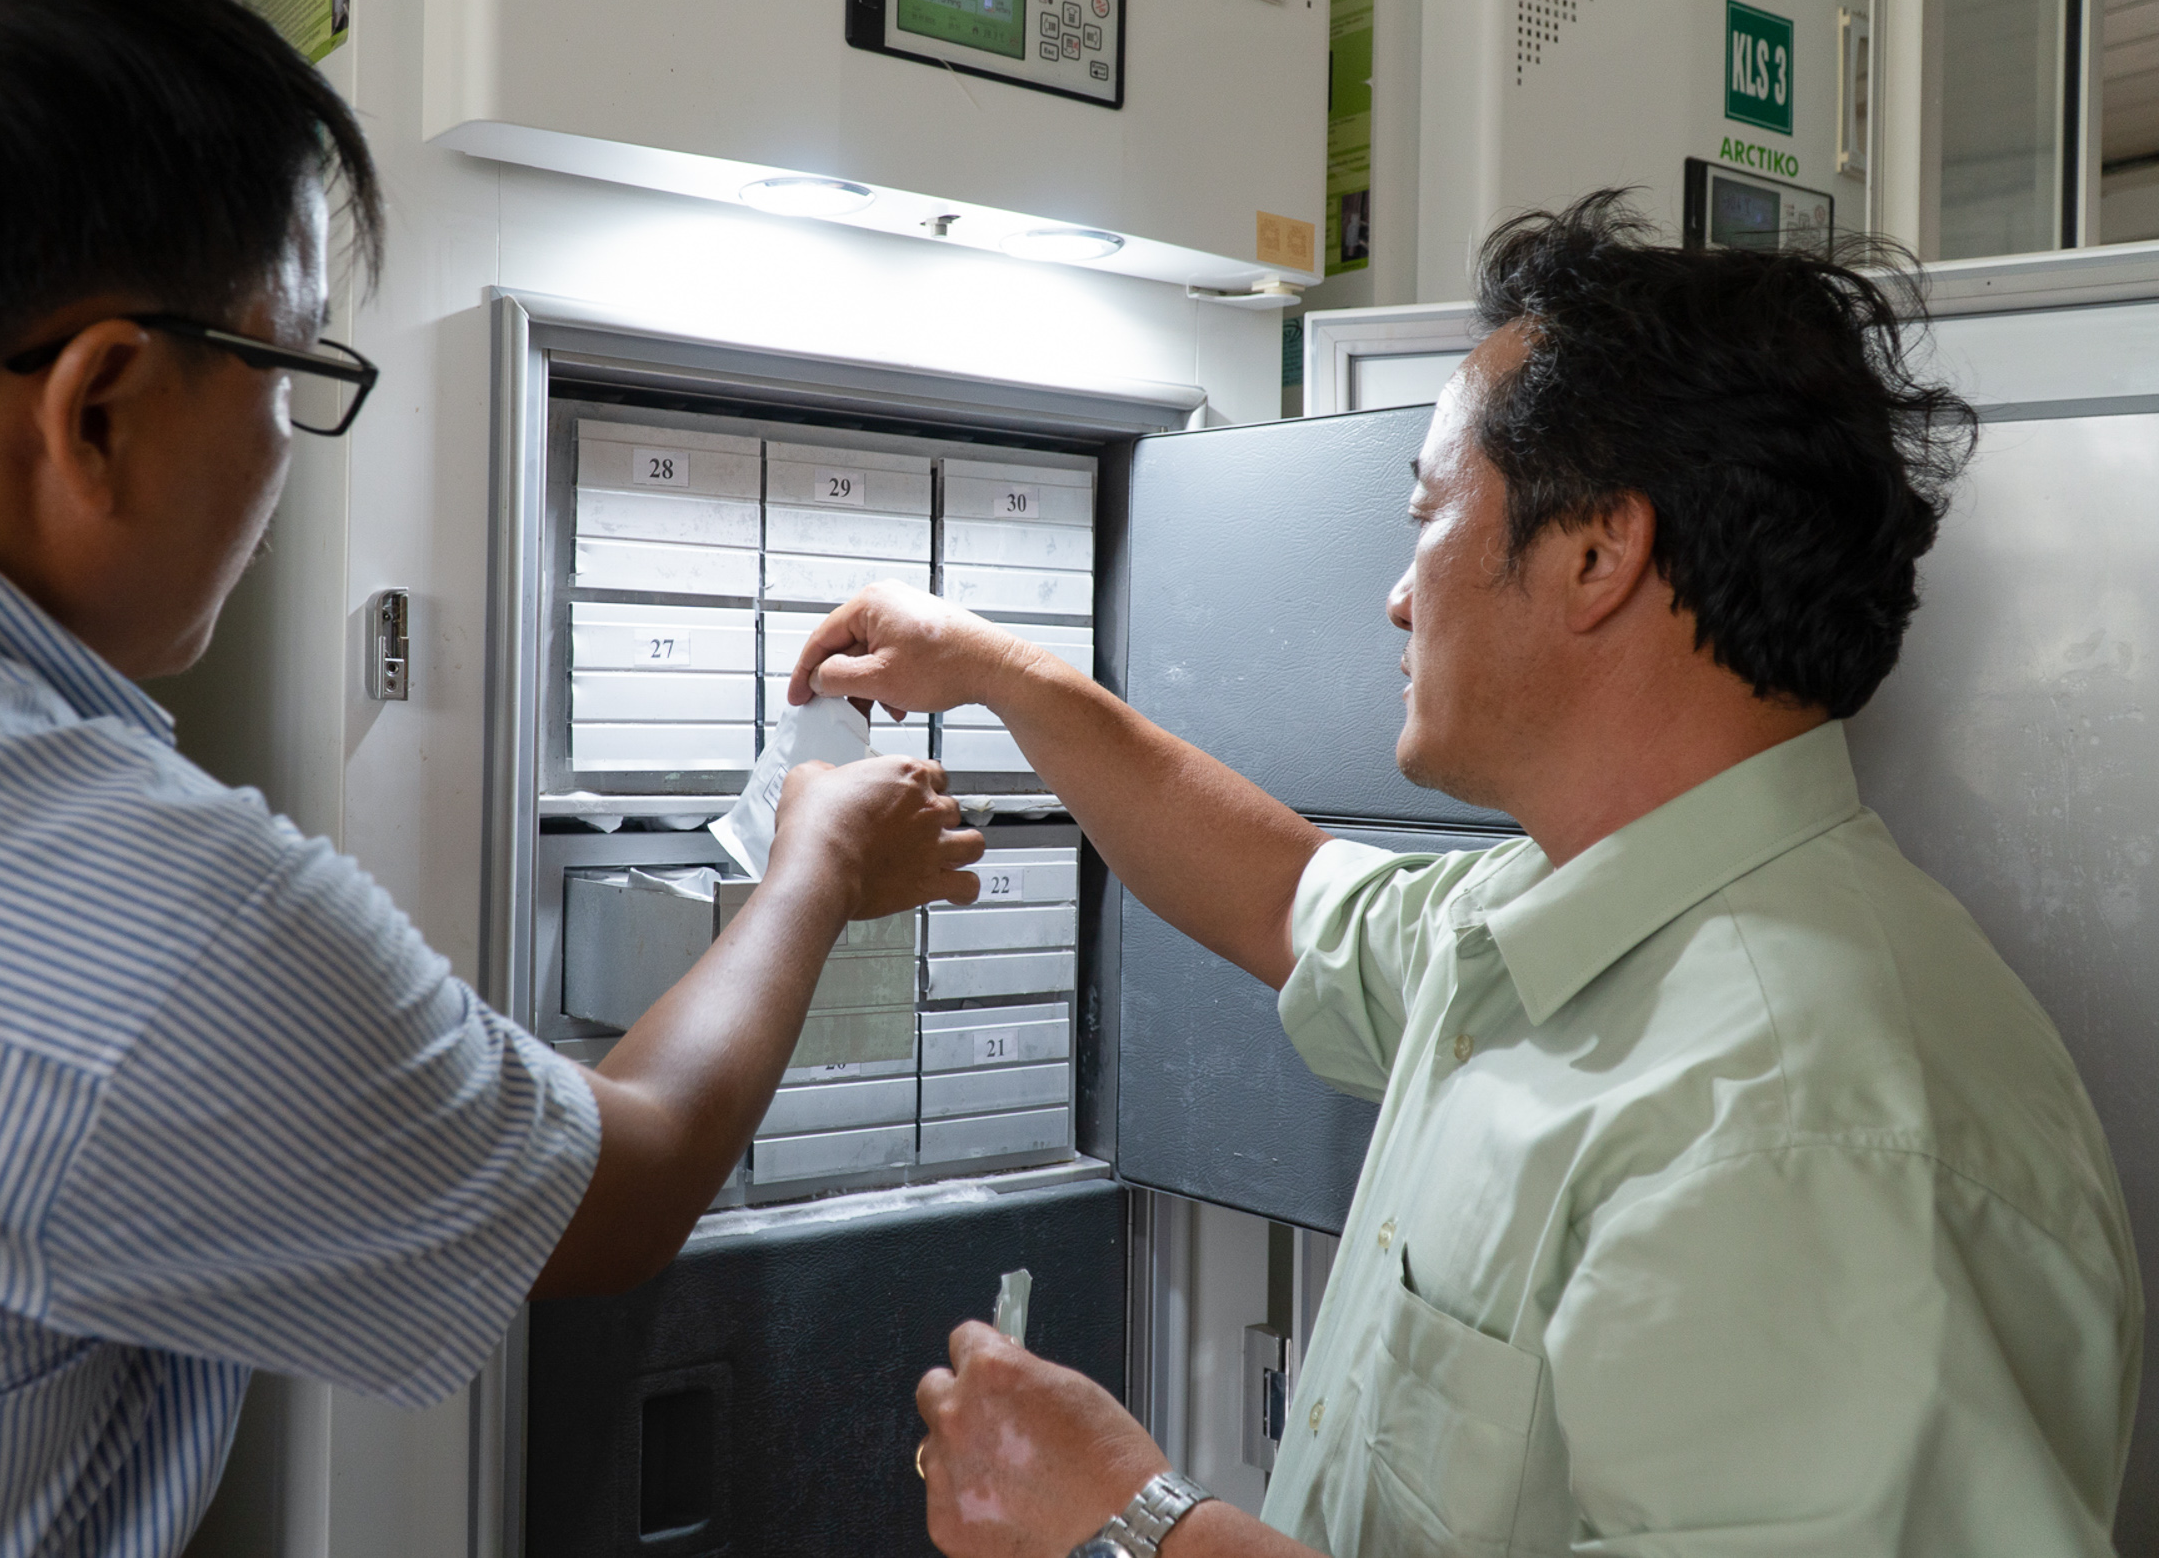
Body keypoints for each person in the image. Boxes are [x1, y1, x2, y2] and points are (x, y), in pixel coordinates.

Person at [0, 0, 979, 1556]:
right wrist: (813, 869)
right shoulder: (133, 904)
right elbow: (625, 1186)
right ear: (101, 408)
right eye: (290, 377)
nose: (282, 456)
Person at [797, 197, 2143, 1557]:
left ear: (1598, 553)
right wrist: (993, 668)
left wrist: (1136, 1520)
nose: (1397, 593)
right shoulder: (1557, 919)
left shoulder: (1800, 1132)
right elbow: (1286, 896)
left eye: (1430, 511)